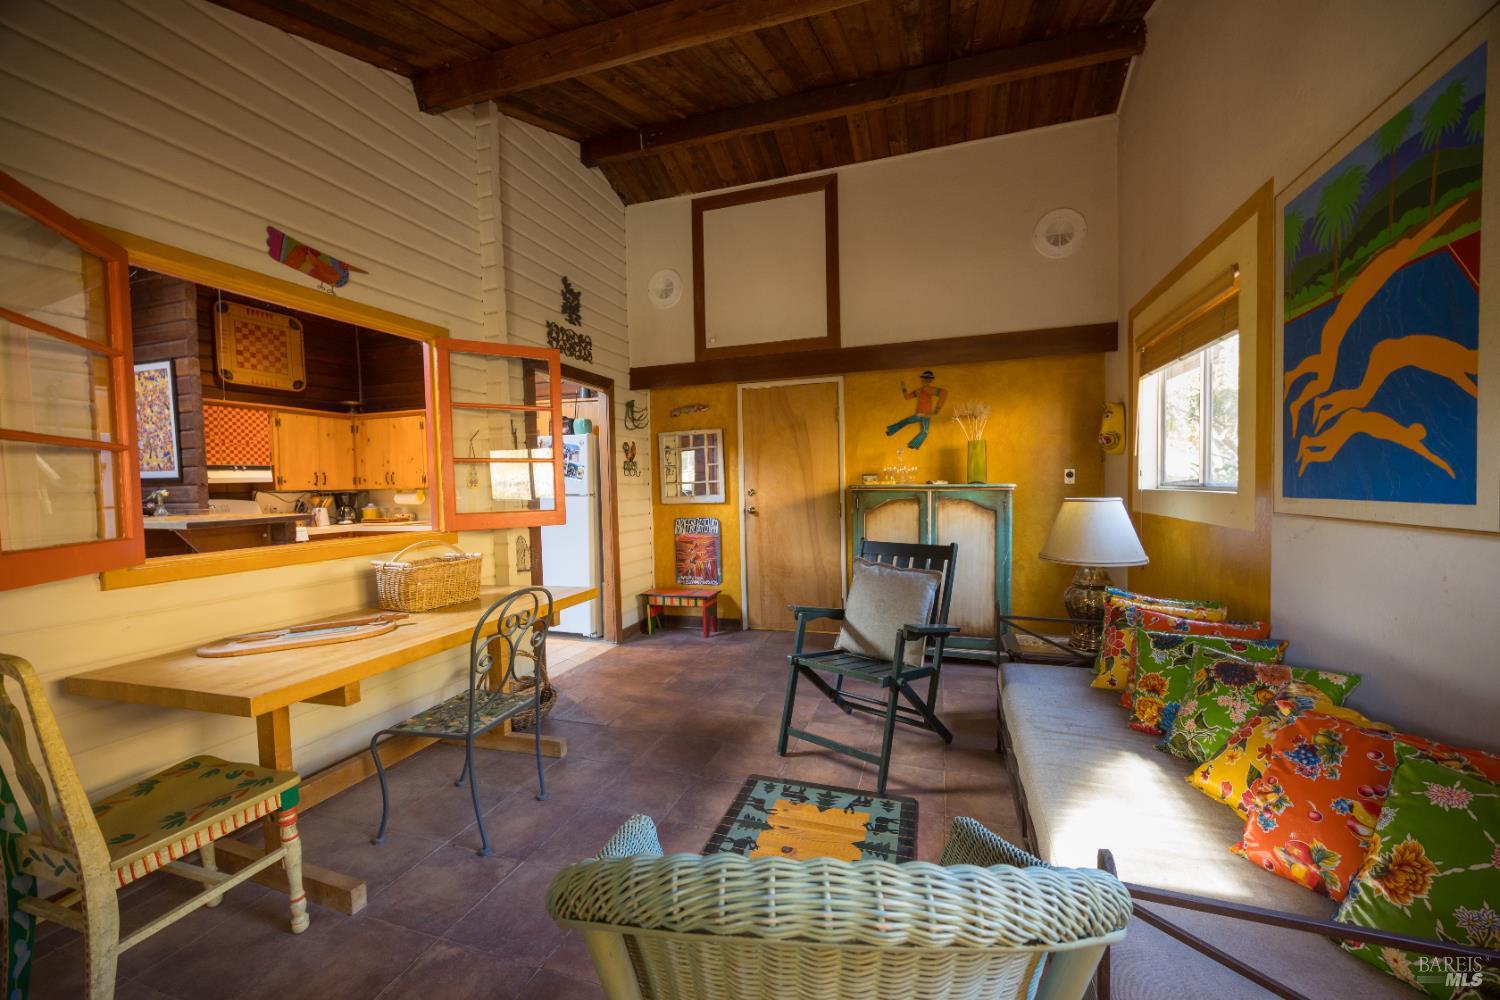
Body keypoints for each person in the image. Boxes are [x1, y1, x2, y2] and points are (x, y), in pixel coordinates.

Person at [885, 370, 947, 449]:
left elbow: (944, 393)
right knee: (923, 431)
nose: (925, 381)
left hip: (924, 415)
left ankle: (892, 432)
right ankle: (912, 444)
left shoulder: (928, 389)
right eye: (925, 380)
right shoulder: (921, 390)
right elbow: (907, 397)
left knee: (911, 424)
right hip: (923, 415)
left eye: (927, 380)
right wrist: (903, 387)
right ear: (922, 380)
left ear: (930, 381)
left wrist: (937, 409)